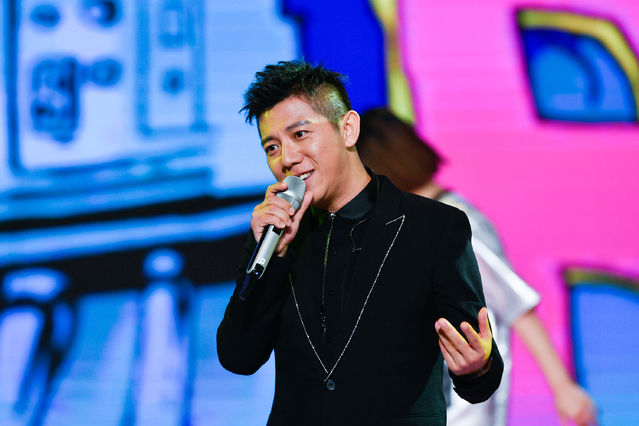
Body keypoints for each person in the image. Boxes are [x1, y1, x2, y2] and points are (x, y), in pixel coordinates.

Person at [216, 60, 503, 425]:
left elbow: (475, 359)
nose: (287, 158)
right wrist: (271, 255)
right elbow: (238, 357)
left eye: (300, 134)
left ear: (347, 129)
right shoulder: (277, 236)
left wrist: (478, 367)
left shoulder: (434, 226)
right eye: (272, 147)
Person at [357, 107, 598, 426]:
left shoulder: (453, 224)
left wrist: (562, 387)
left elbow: (516, 306)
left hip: (463, 408)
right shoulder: (425, 221)